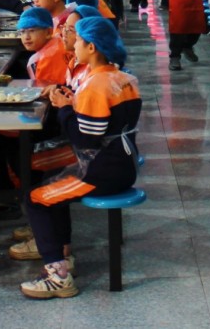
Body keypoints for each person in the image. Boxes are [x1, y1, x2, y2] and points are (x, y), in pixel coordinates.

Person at [18, 17, 140, 299]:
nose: (74, 45)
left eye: (79, 41)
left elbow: (84, 139)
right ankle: (62, 253)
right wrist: (74, 101)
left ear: (91, 47)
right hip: (123, 163)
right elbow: (105, 123)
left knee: (35, 198)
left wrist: (64, 109)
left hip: (101, 170)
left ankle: (58, 276)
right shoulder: (124, 78)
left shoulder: (96, 84)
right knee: (51, 181)